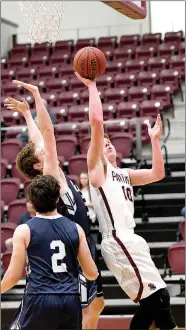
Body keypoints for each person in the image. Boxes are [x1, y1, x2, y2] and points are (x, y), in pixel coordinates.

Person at [74, 72, 177, 330]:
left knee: (156, 303)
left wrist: (154, 141)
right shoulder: (99, 171)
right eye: (103, 144)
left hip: (132, 239)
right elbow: (97, 122)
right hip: (118, 240)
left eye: (110, 143)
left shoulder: (125, 174)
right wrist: (92, 86)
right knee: (158, 298)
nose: (107, 145)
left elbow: (157, 174)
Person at [5, 81, 104, 330]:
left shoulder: (52, 170)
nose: (45, 150)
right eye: (41, 152)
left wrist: (27, 114)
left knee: (97, 304)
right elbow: (47, 134)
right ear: (39, 165)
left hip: (80, 240)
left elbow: (38, 138)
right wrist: (38, 97)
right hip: (72, 246)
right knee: (87, 309)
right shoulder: (49, 173)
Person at [1, 174, 98, 330]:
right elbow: (92, 273)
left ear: (31, 202)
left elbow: (13, 276)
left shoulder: (24, 230)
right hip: (70, 299)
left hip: (38, 297)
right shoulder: (76, 229)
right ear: (57, 199)